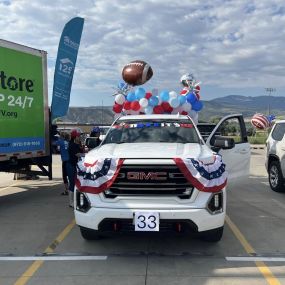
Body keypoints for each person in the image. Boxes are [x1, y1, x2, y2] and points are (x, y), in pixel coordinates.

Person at [66, 129, 84, 207]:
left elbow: (80, 151)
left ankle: (73, 201)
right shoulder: (72, 145)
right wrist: (86, 154)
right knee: (72, 183)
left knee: (74, 183)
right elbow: (78, 154)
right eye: (78, 136)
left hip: (73, 165)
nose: (79, 137)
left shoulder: (75, 144)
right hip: (70, 165)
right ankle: (71, 202)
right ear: (75, 136)